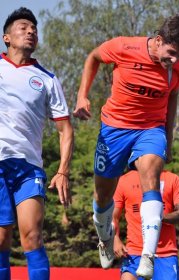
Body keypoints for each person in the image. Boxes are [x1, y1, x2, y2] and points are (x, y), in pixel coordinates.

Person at [73, 14, 179, 278]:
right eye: (171, 52)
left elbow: (172, 97)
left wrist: (168, 140)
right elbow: (93, 57)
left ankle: (148, 257)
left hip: (151, 129)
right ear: (158, 41)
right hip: (115, 128)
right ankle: (104, 239)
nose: (174, 59)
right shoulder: (124, 47)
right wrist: (82, 96)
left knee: (151, 175)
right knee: (102, 196)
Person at [0, 7, 73, 280]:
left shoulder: (48, 79)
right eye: (23, 26)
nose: (30, 31)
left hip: (29, 167)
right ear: (6, 37)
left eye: (34, 28)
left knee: (32, 234)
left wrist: (63, 170)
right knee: (1, 239)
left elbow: (65, 130)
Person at [113, 170, 179, 280]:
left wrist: (157, 217)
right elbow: (113, 215)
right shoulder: (124, 180)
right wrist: (115, 239)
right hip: (135, 252)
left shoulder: (172, 178)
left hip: (165, 255)